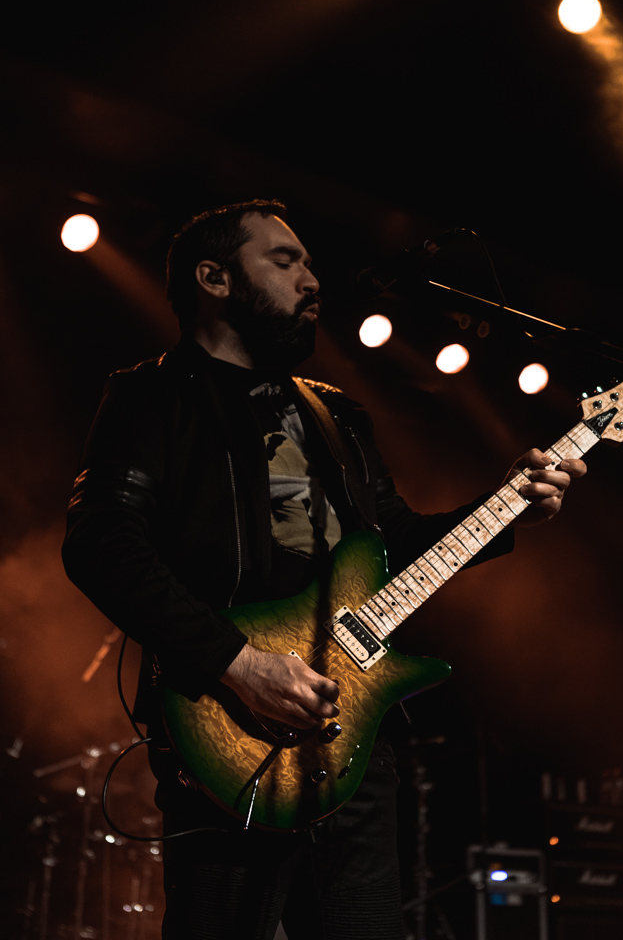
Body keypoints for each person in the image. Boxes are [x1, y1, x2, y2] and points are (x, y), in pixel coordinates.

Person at [62, 200, 586, 940]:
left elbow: (392, 548)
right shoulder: (152, 396)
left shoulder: (338, 416)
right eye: (285, 260)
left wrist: (503, 509)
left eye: (308, 261)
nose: (312, 278)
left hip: (352, 745)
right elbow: (100, 544)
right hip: (225, 740)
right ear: (214, 277)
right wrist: (239, 667)